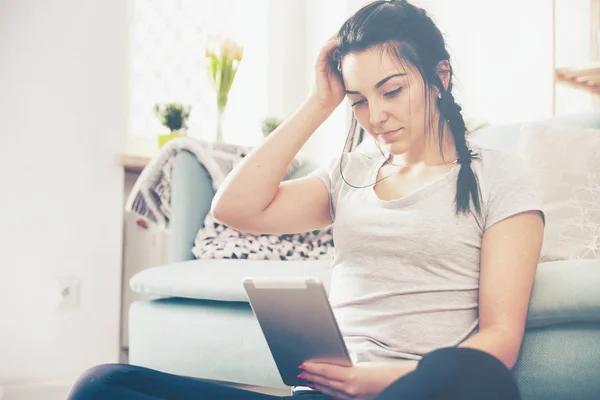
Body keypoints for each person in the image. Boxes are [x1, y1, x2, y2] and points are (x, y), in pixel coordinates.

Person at [67, 0, 545, 399]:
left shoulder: (498, 176)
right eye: (358, 100)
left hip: (417, 389)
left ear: (440, 76)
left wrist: (373, 382)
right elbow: (234, 209)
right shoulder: (352, 169)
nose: (374, 116)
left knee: (470, 376)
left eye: (392, 91)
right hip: (323, 395)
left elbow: (500, 341)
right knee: (104, 384)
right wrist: (320, 103)